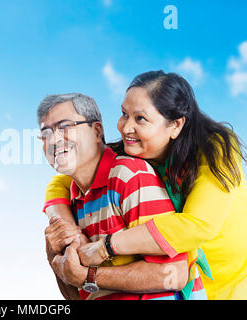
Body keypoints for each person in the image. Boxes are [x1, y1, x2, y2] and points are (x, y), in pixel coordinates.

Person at [44, 71, 247, 300]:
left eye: (140, 118)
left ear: (176, 125)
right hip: (179, 287)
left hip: (234, 282)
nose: (125, 127)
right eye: (124, 114)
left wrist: (104, 248)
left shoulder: (215, 148)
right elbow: (61, 182)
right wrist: (69, 231)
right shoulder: (133, 150)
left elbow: (198, 225)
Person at [38, 93, 205, 300]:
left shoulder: (128, 175)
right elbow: (79, 293)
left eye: (65, 127)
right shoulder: (71, 202)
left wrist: (88, 275)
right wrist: (55, 258)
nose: (54, 139)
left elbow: (173, 275)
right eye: (45, 133)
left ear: (97, 131)